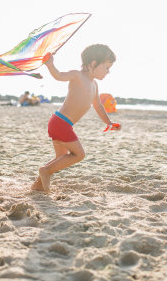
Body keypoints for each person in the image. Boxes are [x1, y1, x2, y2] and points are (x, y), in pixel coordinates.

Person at [32, 44, 120, 193]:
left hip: (61, 123)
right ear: (93, 63)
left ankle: (37, 186)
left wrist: (108, 122)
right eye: (106, 67)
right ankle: (45, 171)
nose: (108, 71)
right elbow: (59, 76)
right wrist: (50, 64)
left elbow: (98, 105)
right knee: (79, 154)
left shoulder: (94, 85)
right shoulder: (77, 76)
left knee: (61, 157)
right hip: (61, 123)